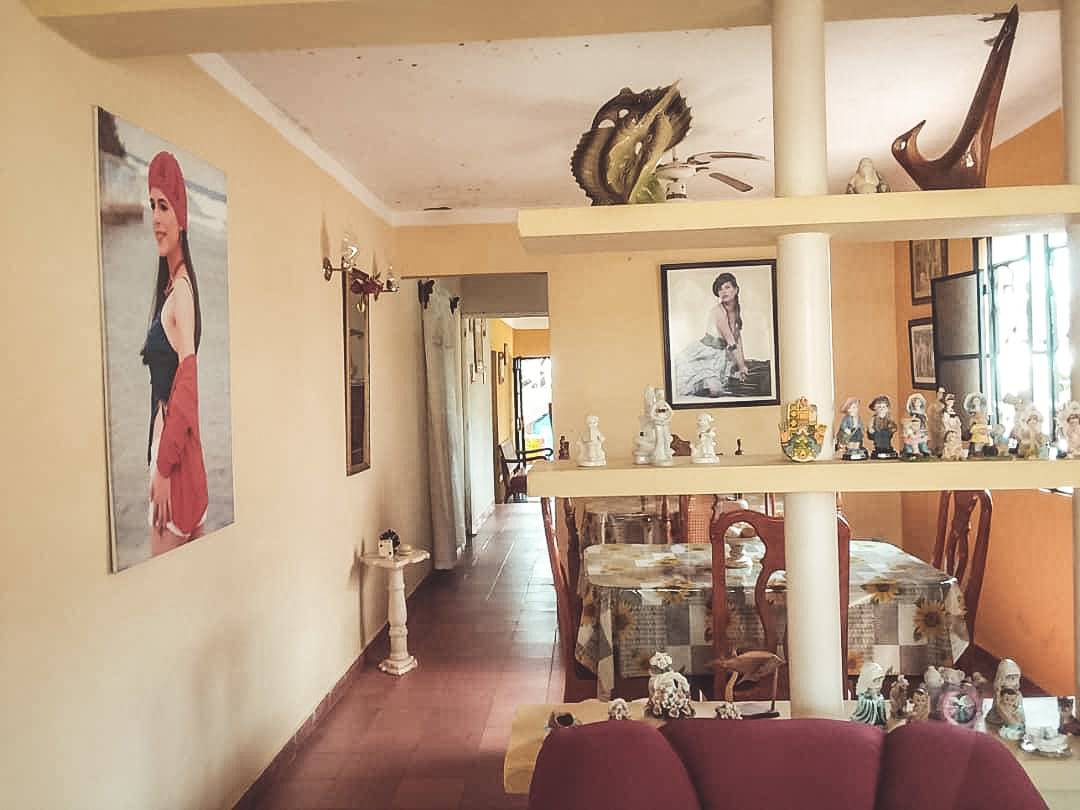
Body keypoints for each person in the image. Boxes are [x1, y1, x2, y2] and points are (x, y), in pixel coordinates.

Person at [141, 151, 208, 556]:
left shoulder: (180, 292)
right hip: (187, 456)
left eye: (164, 206)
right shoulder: (180, 287)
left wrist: (163, 468)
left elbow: (187, 382)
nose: (155, 218)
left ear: (181, 217)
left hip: (175, 460)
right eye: (152, 205)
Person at [674, 272, 750, 398]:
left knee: (721, 387)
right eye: (720, 289)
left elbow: (738, 340)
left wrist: (743, 364)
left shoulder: (735, 311)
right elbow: (731, 342)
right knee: (715, 390)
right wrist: (741, 367)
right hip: (705, 354)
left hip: (719, 356)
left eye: (727, 287)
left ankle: (708, 382)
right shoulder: (718, 312)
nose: (723, 292)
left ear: (736, 290)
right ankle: (701, 383)